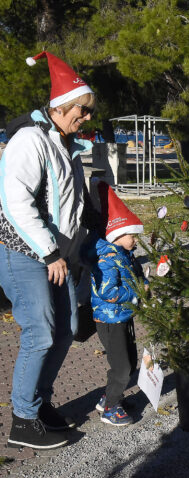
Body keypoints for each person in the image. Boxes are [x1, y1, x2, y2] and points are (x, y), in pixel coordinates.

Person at [0, 51, 99, 449]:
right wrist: (49, 251)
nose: (87, 118)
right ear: (60, 106)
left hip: (56, 257)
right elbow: (14, 200)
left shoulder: (65, 145)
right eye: (83, 110)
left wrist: (78, 249)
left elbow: (69, 207)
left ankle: (37, 404)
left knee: (66, 331)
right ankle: (23, 420)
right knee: (40, 332)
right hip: (24, 251)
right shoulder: (30, 140)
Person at [85, 182, 146, 425]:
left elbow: (133, 276)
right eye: (132, 235)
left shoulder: (123, 254)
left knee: (129, 362)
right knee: (121, 367)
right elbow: (107, 290)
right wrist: (136, 293)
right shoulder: (108, 257)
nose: (135, 240)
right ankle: (110, 409)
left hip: (122, 316)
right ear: (118, 235)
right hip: (111, 319)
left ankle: (109, 397)